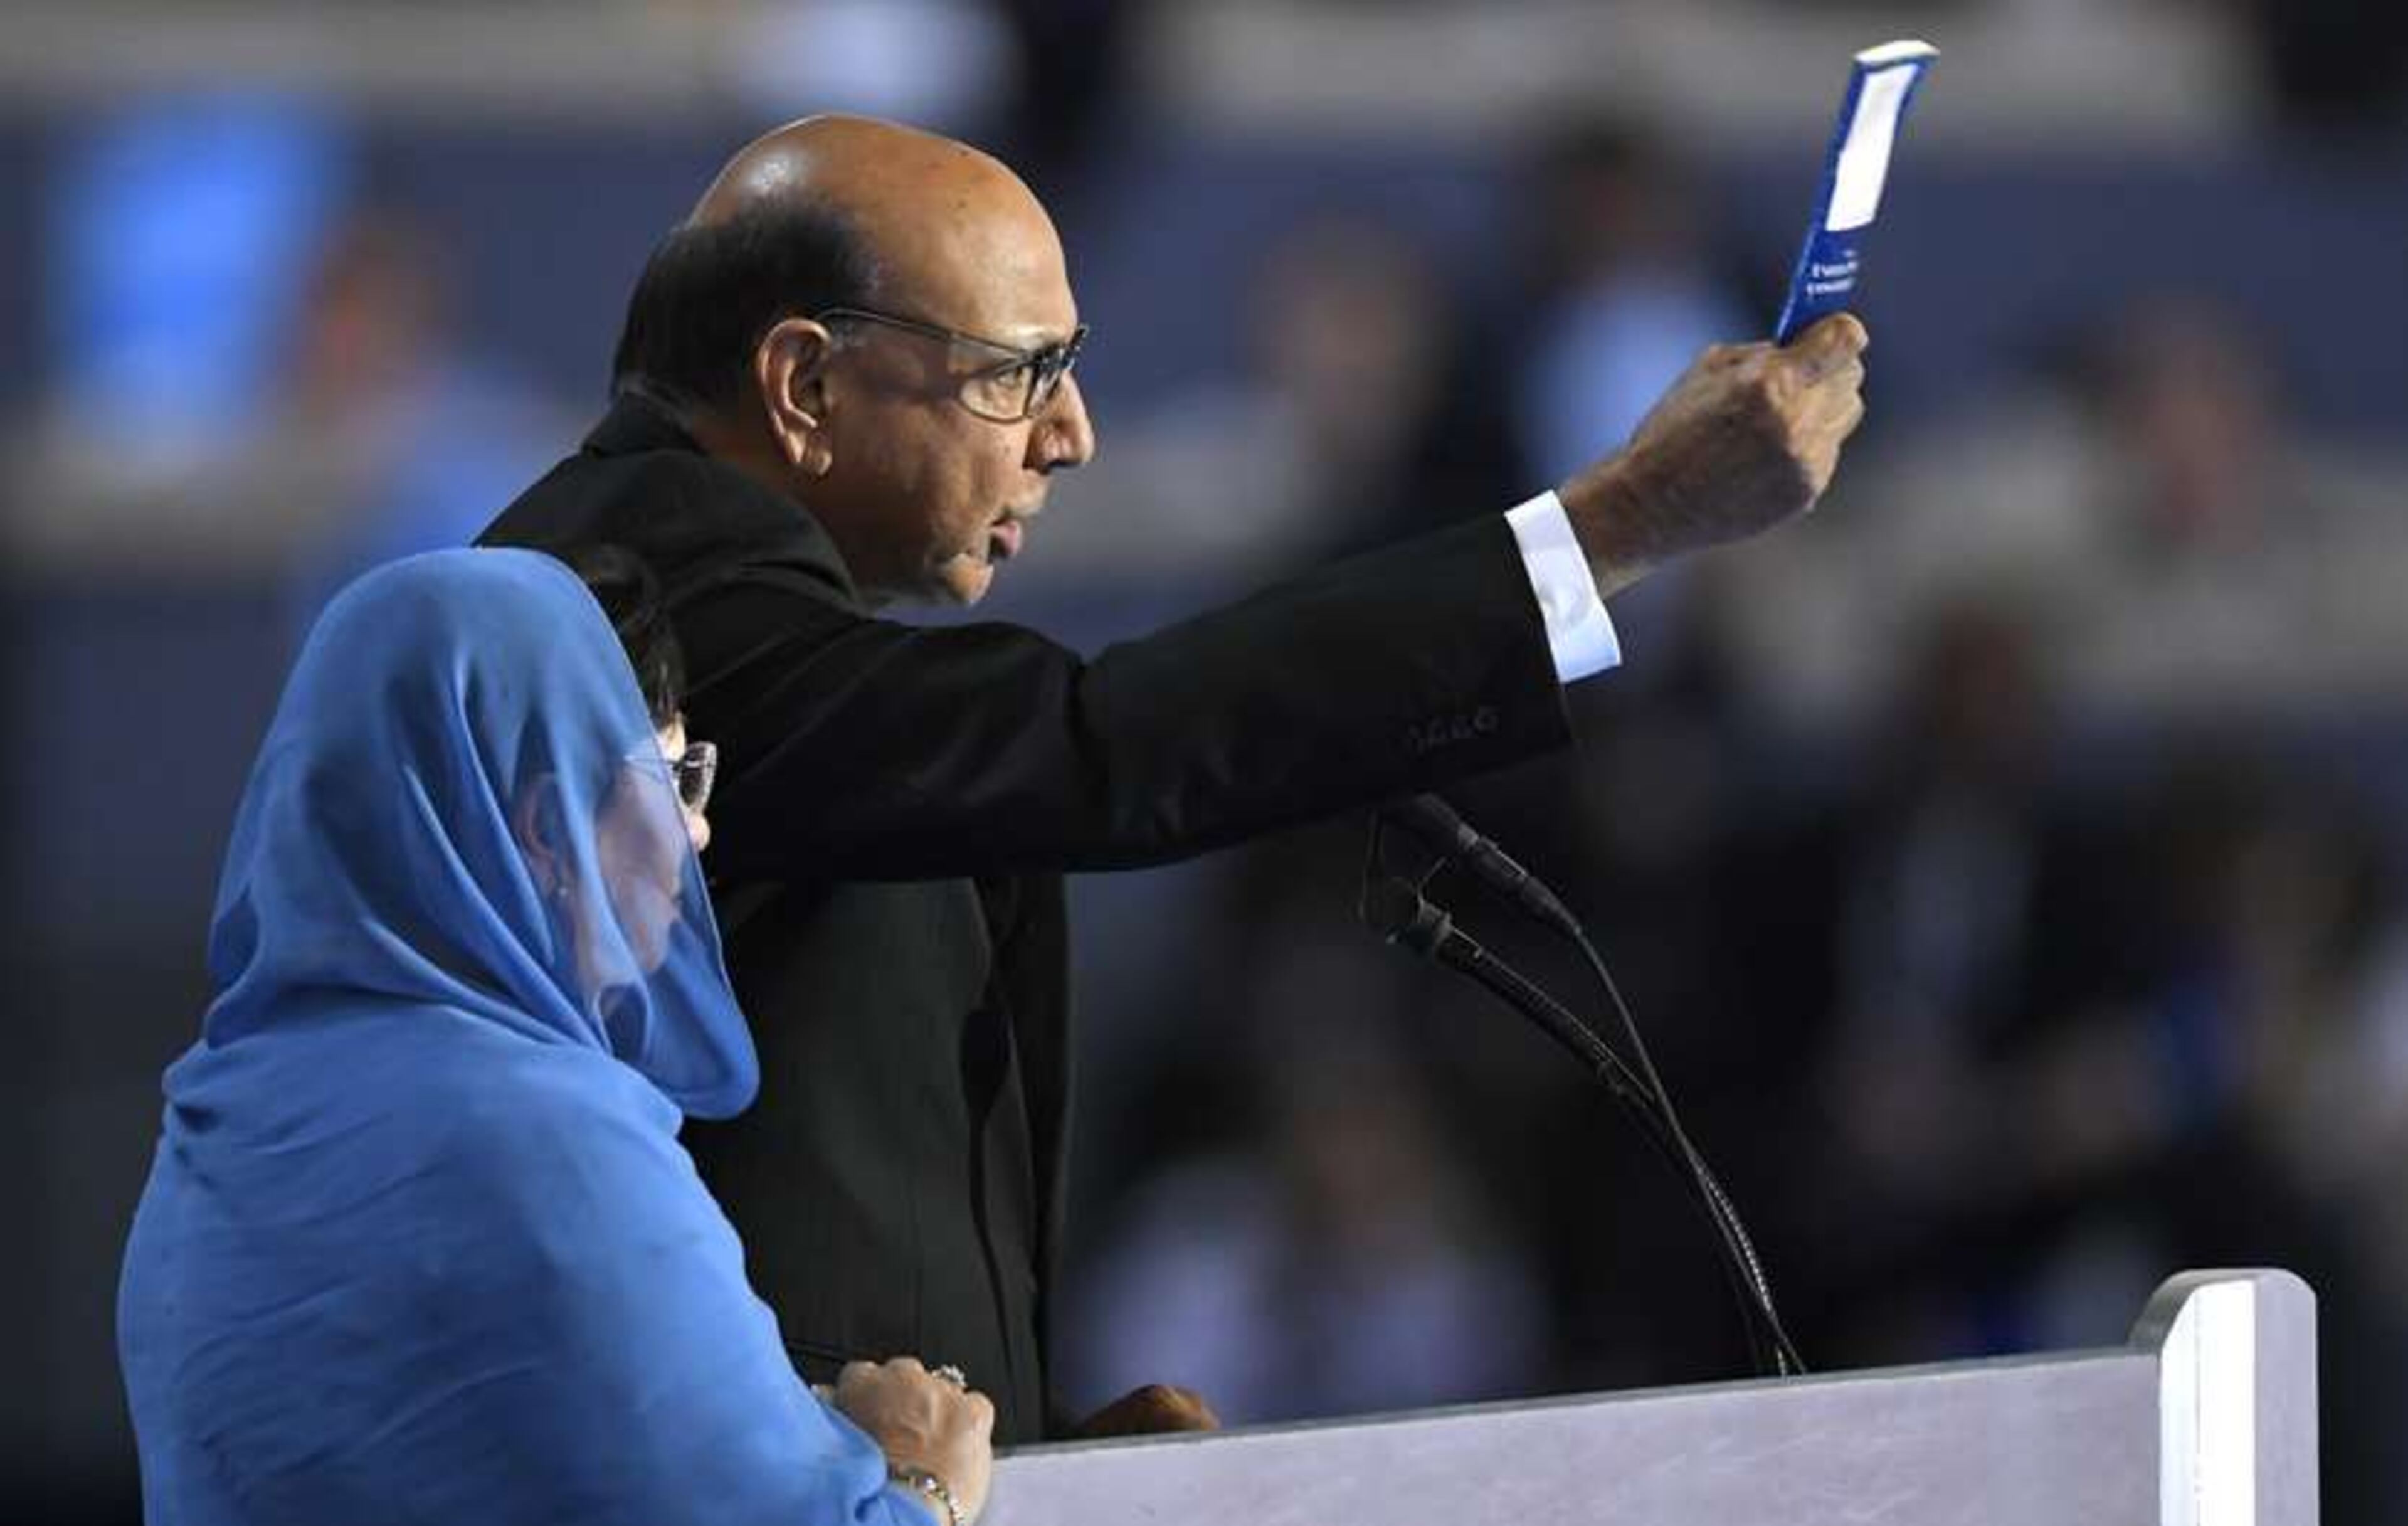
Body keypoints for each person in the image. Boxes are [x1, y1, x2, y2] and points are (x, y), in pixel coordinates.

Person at [480, 112, 1868, 1442]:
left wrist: (1032, 1444)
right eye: (1017, 371)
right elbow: (1105, 744)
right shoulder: (644, 594)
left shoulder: (730, 603)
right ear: (805, 384)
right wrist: (1618, 521)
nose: (1071, 431)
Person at [117, 546, 995, 1525]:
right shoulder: (552, 1139)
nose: (697, 835)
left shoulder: (203, 1140)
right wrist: (925, 1479)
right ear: (546, 826)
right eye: (669, 777)